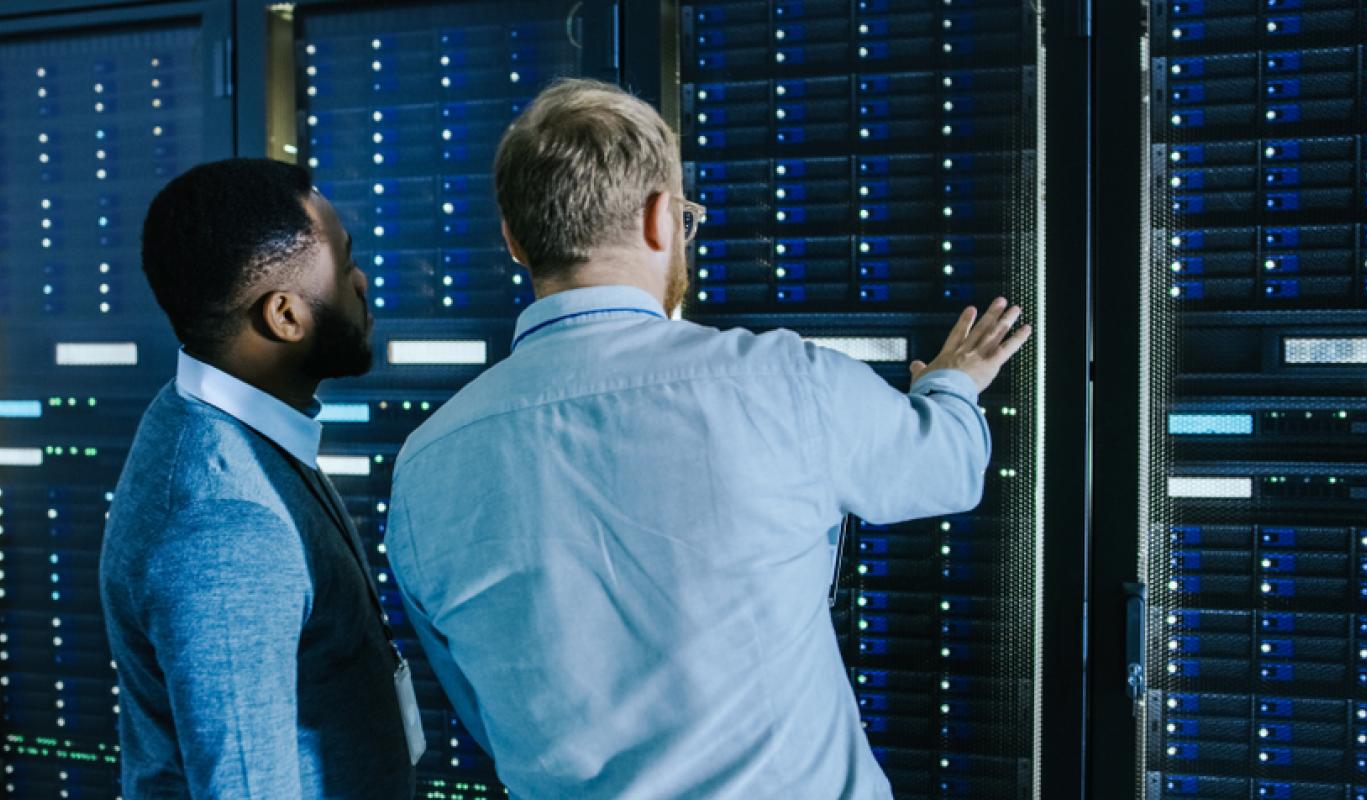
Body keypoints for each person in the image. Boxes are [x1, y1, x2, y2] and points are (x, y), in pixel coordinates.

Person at [384, 79, 1032, 799]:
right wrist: (951, 384)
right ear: (663, 218)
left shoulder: (423, 467)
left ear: (512, 239)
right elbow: (945, 466)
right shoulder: (781, 381)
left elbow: (477, 704)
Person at [100, 158, 422, 799]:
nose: (361, 280)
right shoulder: (223, 525)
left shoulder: (218, 421)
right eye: (345, 261)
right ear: (284, 316)